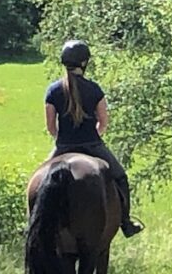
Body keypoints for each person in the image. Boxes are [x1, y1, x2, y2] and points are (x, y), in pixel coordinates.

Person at [45, 40, 144, 238]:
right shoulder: (94, 90)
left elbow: (50, 127)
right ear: (84, 63)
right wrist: (92, 137)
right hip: (93, 145)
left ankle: (32, 222)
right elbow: (103, 123)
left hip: (63, 147)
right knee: (121, 177)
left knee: (41, 181)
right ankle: (126, 222)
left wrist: (62, 139)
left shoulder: (53, 91)